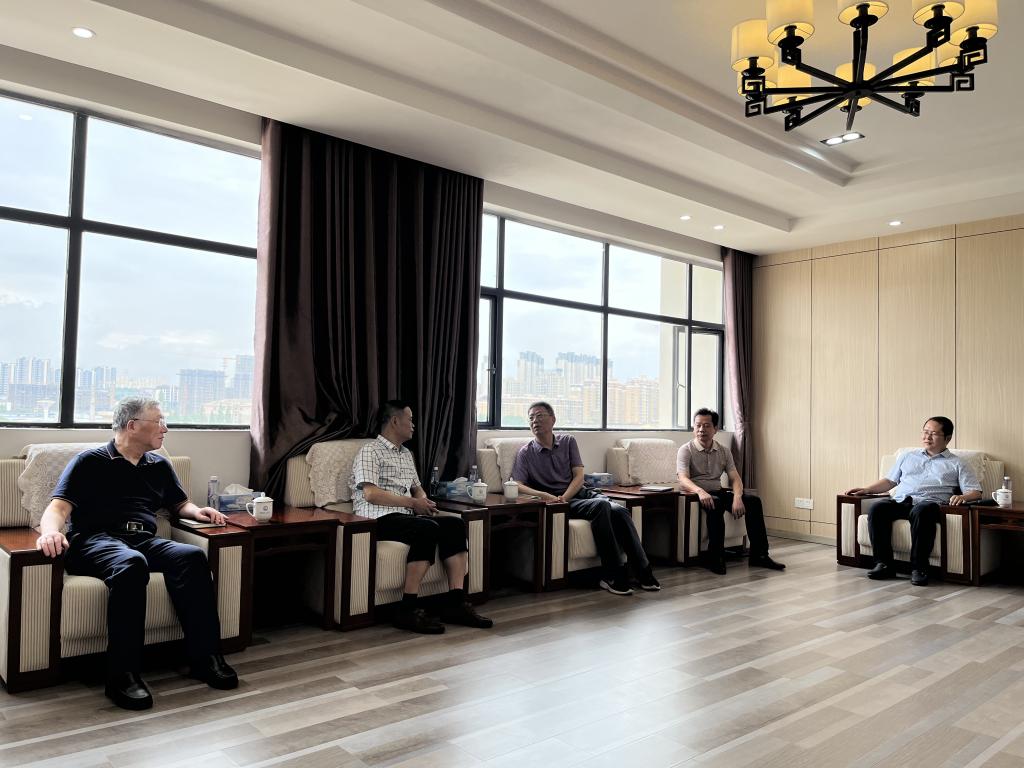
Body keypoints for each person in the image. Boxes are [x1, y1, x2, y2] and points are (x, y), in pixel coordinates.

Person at [35, 397, 238, 710]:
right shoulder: (89, 461)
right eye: (159, 421)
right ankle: (122, 675)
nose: (165, 429)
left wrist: (198, 511)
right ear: (132, 426)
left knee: (192, 557)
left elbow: (179, 504)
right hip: (95, 540)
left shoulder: (159, 465)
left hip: (142, 539)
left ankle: (205, 658)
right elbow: (58, 508)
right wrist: (50, 531)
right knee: (131, 563)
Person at [350, 400, 492, 634]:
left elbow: (417, 489)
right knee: (426, 529)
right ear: (395, 421)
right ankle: (406, 609)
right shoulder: (370, 451)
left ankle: (455, 603)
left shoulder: (406, 454)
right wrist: (413, 504)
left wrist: (424, 502)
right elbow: (371, 494)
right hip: (376, 519)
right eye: (410, 419)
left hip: (406, 516)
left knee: (455, 524)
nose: (413, 425)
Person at [511, 401, 660, 595]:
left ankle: (643, 572)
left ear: (553, 419)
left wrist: (565, 496)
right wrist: (546, 495)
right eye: (531, 418)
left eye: (539, 416)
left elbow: (579, 476)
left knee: (620, 511)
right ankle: (612, 575)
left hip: (577, 494)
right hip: (557, 503)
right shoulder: (525, 452)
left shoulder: (568, 441)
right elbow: (517, 484)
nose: (534, 421)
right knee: (602, 506)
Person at [847, 416, 980, 586]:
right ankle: (884, 564)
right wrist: (867, 489)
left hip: (930, 504)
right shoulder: (907, 456)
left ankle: (919, 568)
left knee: (921, 511)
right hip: (901, 501)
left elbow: (975, 492)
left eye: (933, 433)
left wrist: (963, 497)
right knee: (878, 508)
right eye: (925, 432)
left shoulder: (958, 463)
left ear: (947, 438)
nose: (927, 437)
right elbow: (889, 481)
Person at [676, 408, 785, 575]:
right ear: (693, 428)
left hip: (717, 491)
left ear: (715, 429)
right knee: (716, 503)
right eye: (698, 425)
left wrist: (737, 497)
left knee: (753, 501)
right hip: (694, 494)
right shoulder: (686, 450)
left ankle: (760, 555)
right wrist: (700, 491)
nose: (701, 429)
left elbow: (735, 478)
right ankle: (715, 558)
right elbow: (683, 478)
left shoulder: (723, 451)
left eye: (706, 425)